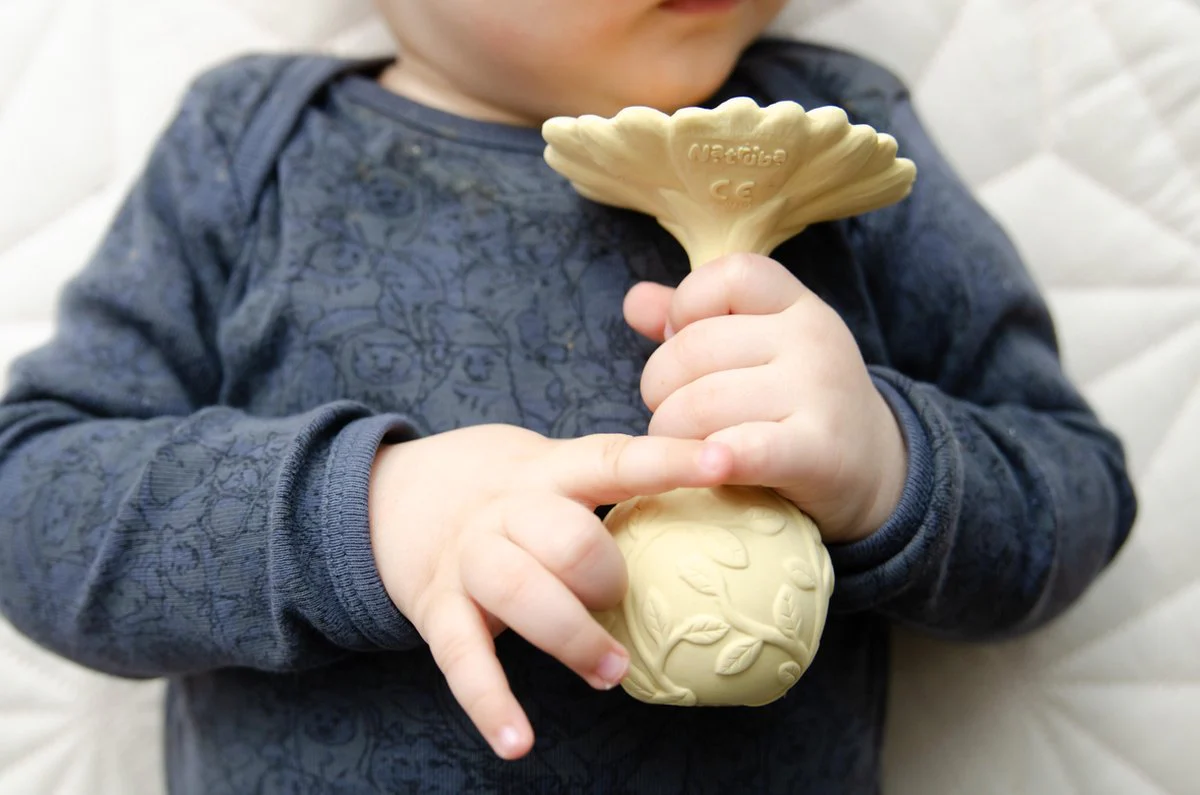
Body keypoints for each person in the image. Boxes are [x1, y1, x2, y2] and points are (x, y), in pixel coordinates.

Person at [0, 0, 1137, 791]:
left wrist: (892, 465)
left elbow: (1073, 482)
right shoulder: (251, 147)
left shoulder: (843, 135)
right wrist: (365, 515)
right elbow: (35, 497)